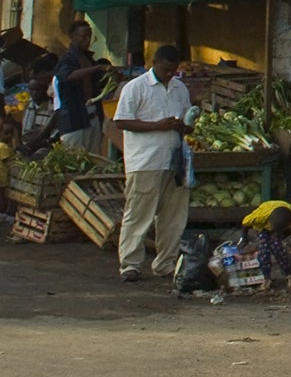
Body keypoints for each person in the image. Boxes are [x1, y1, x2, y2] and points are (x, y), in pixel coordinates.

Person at [112, 44, 192, 282]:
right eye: (166, 69)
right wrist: (158, 125)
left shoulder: (180, 88)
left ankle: (166, 262)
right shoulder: (135, 87)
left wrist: (183, 126)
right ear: (155, 63)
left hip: (175, 160)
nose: (170, 74)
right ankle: (130, 264)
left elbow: (188, 121)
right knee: (139, 214)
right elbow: (121, 122)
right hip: (145, 161)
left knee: (173, 216)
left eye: (173, 70)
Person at [52, 19, 113, 151]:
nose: (88, 40)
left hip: (93, 116)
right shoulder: (67, 60)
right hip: (74, 119)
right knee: (73, 161)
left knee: (93, 160)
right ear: (73, 37)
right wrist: (96, 69)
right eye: (84, 36)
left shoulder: (90, 59)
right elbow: (68, 76)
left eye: (90, 36)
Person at [240, 200, 291, 287]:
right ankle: (266, 276)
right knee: (264, 248)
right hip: (263, 226)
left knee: (277, 247)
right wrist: (244, 239)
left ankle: (289, 273)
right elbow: (245, 224)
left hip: (280, 228)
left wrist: (280, 237)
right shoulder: (261, 216)